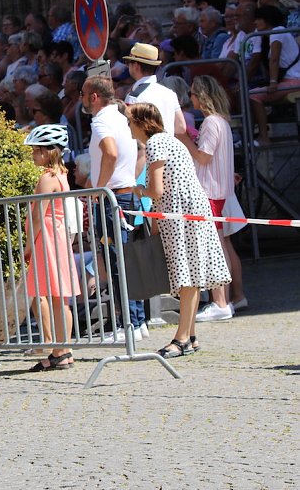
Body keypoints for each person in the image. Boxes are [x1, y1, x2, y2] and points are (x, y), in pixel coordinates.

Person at [127, 102, 231, 358]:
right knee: (191, 276)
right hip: (188, 211)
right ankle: (190, 335)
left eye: (130, 121)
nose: (128, 126)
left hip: (180, 214)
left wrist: (138, 190)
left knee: (187, 277)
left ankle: (182, 337)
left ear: (141, 123)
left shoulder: (155, 143)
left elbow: (156, 191)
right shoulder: (168, 140)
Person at [82, 75, 147, 340]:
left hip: (113, 199)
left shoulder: (101, 121)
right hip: (124, 194)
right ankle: (137, 322)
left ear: (94, 97)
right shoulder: (121, 117)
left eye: (83, 94)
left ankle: (128, 325)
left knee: (116, 262)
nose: (81, 99)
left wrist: (99, 188)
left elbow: (110, 153)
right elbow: (139, 150)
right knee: (124, 261)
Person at [183, 76, 248, 320]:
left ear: (201, 96)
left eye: (192, 93)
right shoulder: (221, 121)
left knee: (215, 249)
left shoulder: (211, 122)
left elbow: (204, 157)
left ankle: (221, 302)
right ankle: (231, 299)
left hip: (210, 192)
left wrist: (185, 139)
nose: (190, 98)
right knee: (223, 246)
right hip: (220, 191)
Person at [22, 125, 80, 371]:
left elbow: (38, 214)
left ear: (47, 152)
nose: (33, 154)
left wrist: (28, 246)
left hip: (47, 237)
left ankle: (60, 351)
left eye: (36, 150)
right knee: (59, 297)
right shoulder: (61, 175)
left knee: (56, 295)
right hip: (56, 236)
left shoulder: (47, 177)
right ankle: (63, 350)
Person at [248, 4, 300, 144]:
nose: (255, 22)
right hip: (290, 79)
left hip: (295, 80)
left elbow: (274, 59)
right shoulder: (273, 34)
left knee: (254, 96)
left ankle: (264, 137)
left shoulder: (277, 31)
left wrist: (273, 82)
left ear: (268, 19)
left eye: (258, 19)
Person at [123, 42, 187, 139]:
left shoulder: (134, 97)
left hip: (147, 148)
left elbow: (129, 133)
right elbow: (181, 127)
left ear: (136, 66)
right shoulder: (169, 93)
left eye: (128, 62)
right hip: (168, 146)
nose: (128, 66)